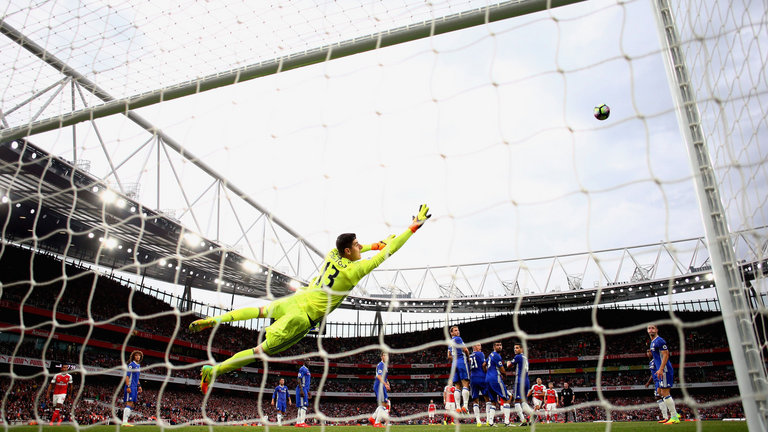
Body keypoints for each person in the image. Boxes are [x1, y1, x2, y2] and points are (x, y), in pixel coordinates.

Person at [189, 204, 432, 393]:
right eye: (357, 245)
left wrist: (375, 244)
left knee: (261, 311)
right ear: (348, 251)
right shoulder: (354, 271)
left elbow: (368, 247)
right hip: (301, 318)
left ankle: (216, 319)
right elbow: (390, 252)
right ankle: (214, 370)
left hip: (297, 298)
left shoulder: (332, 253)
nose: (361, 247)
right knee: (259, 351)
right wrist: (412, 228)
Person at [648, 324, 680, 424]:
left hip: (664, 369)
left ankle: (674, 416)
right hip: (661, 370)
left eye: (653, 328)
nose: (651, 330)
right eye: (649, 328)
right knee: (660, 392)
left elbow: (666, 354)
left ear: (657, 330)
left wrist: (661, 369)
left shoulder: (659, 341)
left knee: (665, 393)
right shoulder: (652, 342)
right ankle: (674, 414)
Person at [484, 341, 509, 426]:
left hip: (488, 379)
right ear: (494, 347)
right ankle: (507, 422)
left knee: (493, 401)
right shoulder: (497, 356)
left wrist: (487, 373)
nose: (499, 347)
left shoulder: (490, 355)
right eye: (497, 345)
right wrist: (505, 376)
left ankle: (490, 422)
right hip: (495, 378)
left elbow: (484, 364)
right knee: (506, 398)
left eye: (500, 345)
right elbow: (502, 370)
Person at [447, 325, 470, 414]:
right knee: (465, 383)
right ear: (451, 333)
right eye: (455, 330)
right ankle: (465, 406)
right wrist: (467, 358)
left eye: (458, 330)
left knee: (457, 386)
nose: (458, 332)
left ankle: (458, 407)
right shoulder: (458, 339)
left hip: (454, 364)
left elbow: (449, 356)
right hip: (461, 361)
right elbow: (466, 350)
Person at [507, 342, 532, 426]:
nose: (515, 349)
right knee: (524, 401)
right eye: (514, 348)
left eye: (517, 348)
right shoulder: (525, 357)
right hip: (527, 381)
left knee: (516, 401)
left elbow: (509, 366)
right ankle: (531, 416)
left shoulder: (518, 356)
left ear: (522, 349)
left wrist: (508, 362)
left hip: (520, 380)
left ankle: (523, 420)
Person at [645, 349, 669, 423]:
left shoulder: (657, 360)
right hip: (656, 382)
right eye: (647, 352)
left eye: (650, 352)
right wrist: (649, 382)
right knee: (661, 397)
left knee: (659, 396)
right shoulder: (651, 362)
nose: (648, 353)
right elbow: (653, 373)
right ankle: (668, 416)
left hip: (660, 380)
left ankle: (667, 416)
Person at [468, 343, 489, 426]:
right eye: (478, 345)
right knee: (487, 398)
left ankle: (478, 421)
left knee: (475, 400)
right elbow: (484, 364)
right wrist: (487, 372)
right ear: (474, 347)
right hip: (481, 377)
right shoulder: (480, 354)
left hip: (473, 378)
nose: (480, 347)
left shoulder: (469, 356)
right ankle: (488, 420)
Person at [122, 350, 143, 426]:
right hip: (130, 386)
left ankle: (126, 421)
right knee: (129, 403)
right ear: (134, 356)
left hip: (135, 387)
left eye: (139, 355)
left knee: (132, 404)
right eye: (136, 355)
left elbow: (136, 378)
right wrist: (127, 386)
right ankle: (124, 422)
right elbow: (127, 376)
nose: (138, 357)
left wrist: (139, 386)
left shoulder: (138, 366)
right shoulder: (131, 365)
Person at [370, 351, 390, 428]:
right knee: (383, 403)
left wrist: (387, 383)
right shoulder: (381, 365)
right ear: (381, 356)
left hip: (382, 386)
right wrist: (385, 384)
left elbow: (385, 377)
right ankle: (377, 422)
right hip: (379, 386)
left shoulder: (385, 365)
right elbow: (379, 376)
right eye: (384, 355)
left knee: (385, 403)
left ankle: (372, 418)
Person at [296, 363, 311, 427]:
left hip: (305, 389)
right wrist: (301, 389)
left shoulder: (307, 370)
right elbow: (299, 379)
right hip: (302, 388)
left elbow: (307, 381)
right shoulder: (302, 368)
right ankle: (302, 422)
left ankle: (298, 423)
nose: (309, 362)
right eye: (307, 360)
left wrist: (308, 391)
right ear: (304, 362)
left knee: (300, 407)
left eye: (309, 361)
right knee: (304, 406)